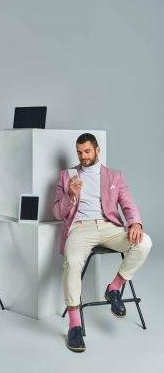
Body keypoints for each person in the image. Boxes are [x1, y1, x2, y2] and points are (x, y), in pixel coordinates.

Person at [52, 133, 152, 353]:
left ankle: (114, 288)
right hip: (80, 227)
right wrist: (70, 196)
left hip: (109, 227)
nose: (83, 156)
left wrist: (135, 223)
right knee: (73, 261)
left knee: (144, 243)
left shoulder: (115, 176)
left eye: (87, 151)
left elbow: (128, 204)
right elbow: (58, 213)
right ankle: (74, 326)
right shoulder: (66, 176)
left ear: (97, 150)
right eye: (79, 152)